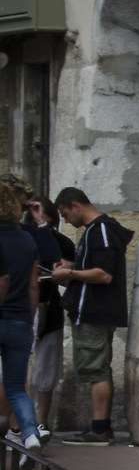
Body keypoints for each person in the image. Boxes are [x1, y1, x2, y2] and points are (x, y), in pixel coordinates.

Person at [49, 187, 130, 444]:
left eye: (65, 214)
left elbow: (104, 273)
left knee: (96, 370)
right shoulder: (96, 231)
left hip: (95, 310)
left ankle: (98, 428)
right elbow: (96, 267)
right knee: (98, 368)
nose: (67, 221)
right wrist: (72, 266)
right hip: (95, 310)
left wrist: (69, 274)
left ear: (76, 206)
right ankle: (100, 426)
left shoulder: (101, 230)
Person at [0, 175, 43, 448]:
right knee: (17, 388)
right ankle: (29, 435)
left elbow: (2, 280)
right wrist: (29, 320)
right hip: (19, 319)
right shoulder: (27, 241)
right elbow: (33, 287)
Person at [25, 196, 72, 436]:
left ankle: (41, 421)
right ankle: (16, 423)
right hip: (20, 308)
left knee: (46, 366)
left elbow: (62, 267)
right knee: (16, 369)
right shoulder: (20, 237)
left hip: (48, 306)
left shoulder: (60, 241)